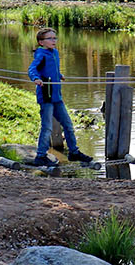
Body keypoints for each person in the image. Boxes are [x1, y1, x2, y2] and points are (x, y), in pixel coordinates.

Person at [28, 28, 93, 168]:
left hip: (57, 97)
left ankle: (74, 152)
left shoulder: (55, 53)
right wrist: (36, 78)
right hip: (46, 96)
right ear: (41, 42)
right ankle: (41, 156)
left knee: (68, 125)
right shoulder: (41, 54)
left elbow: (51, 70)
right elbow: (32, 69)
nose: (54, 41)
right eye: (50, 38)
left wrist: (59, 75)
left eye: (55, 38)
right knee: (47, 127)